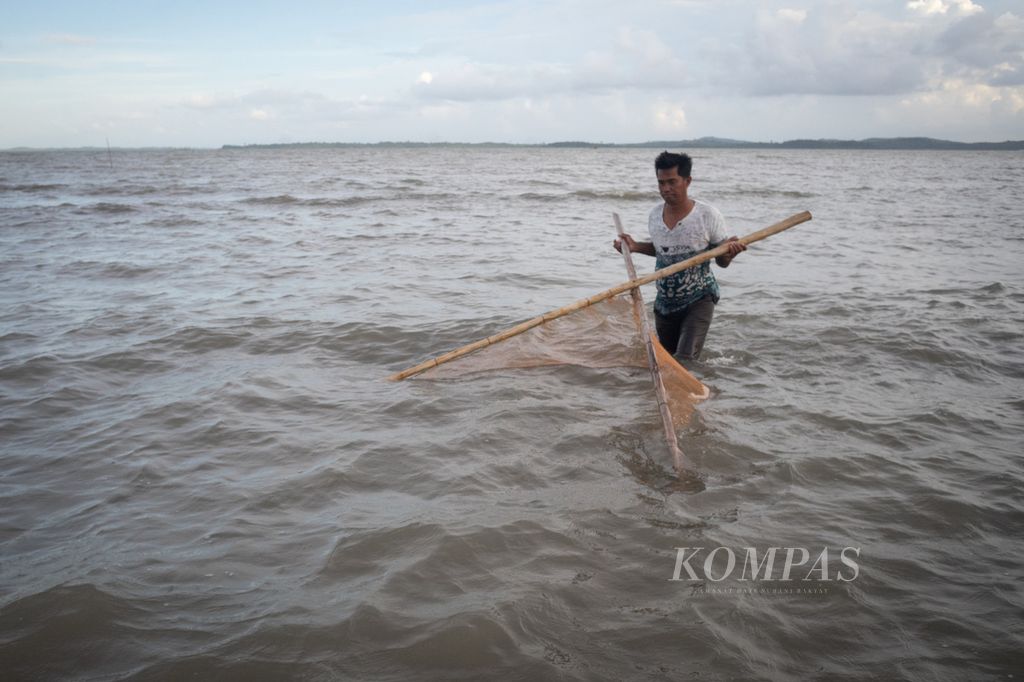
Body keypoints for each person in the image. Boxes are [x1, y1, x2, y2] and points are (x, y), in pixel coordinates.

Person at [614, 151, 746, 362]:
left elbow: (721, 262)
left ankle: (696, 394)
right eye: (661, 182)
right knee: (665, 363)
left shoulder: (707, 215)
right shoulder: (655, 215)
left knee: (685, 360)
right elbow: (664, 250)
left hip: (699, 298)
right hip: (665, 304)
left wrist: (729, 253)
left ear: (687, 181)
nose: (666, 188)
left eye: (672, 182)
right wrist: (635, 246)